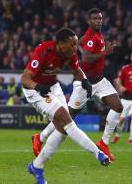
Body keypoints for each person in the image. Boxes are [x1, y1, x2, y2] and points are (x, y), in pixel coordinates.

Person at [32, 8, 122, 162]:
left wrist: (77, 47)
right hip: (85, 83)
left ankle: (103, 143)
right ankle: (40, 137)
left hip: (100, 81)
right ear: (89, 21)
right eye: (95, 19)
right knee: (67, 117)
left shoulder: (95, 35)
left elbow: (79, 45)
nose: (98, 21)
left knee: (118, 107)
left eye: (100, 18)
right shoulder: (91, 36)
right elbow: (86, 58)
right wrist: (105, 52)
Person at [22, 28, 110, 184]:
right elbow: (25, 79)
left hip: (52, 86)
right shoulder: (44, 51)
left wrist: (84, 80)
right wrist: (37, 87)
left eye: (76, 45)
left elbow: (77, 70)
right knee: (67, 121)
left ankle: (37, 166)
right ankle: (98, 153)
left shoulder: (70, 54)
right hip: (34, 90)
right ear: (61, 44)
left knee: (62, 129)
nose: (75, 48)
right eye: (72, 45)